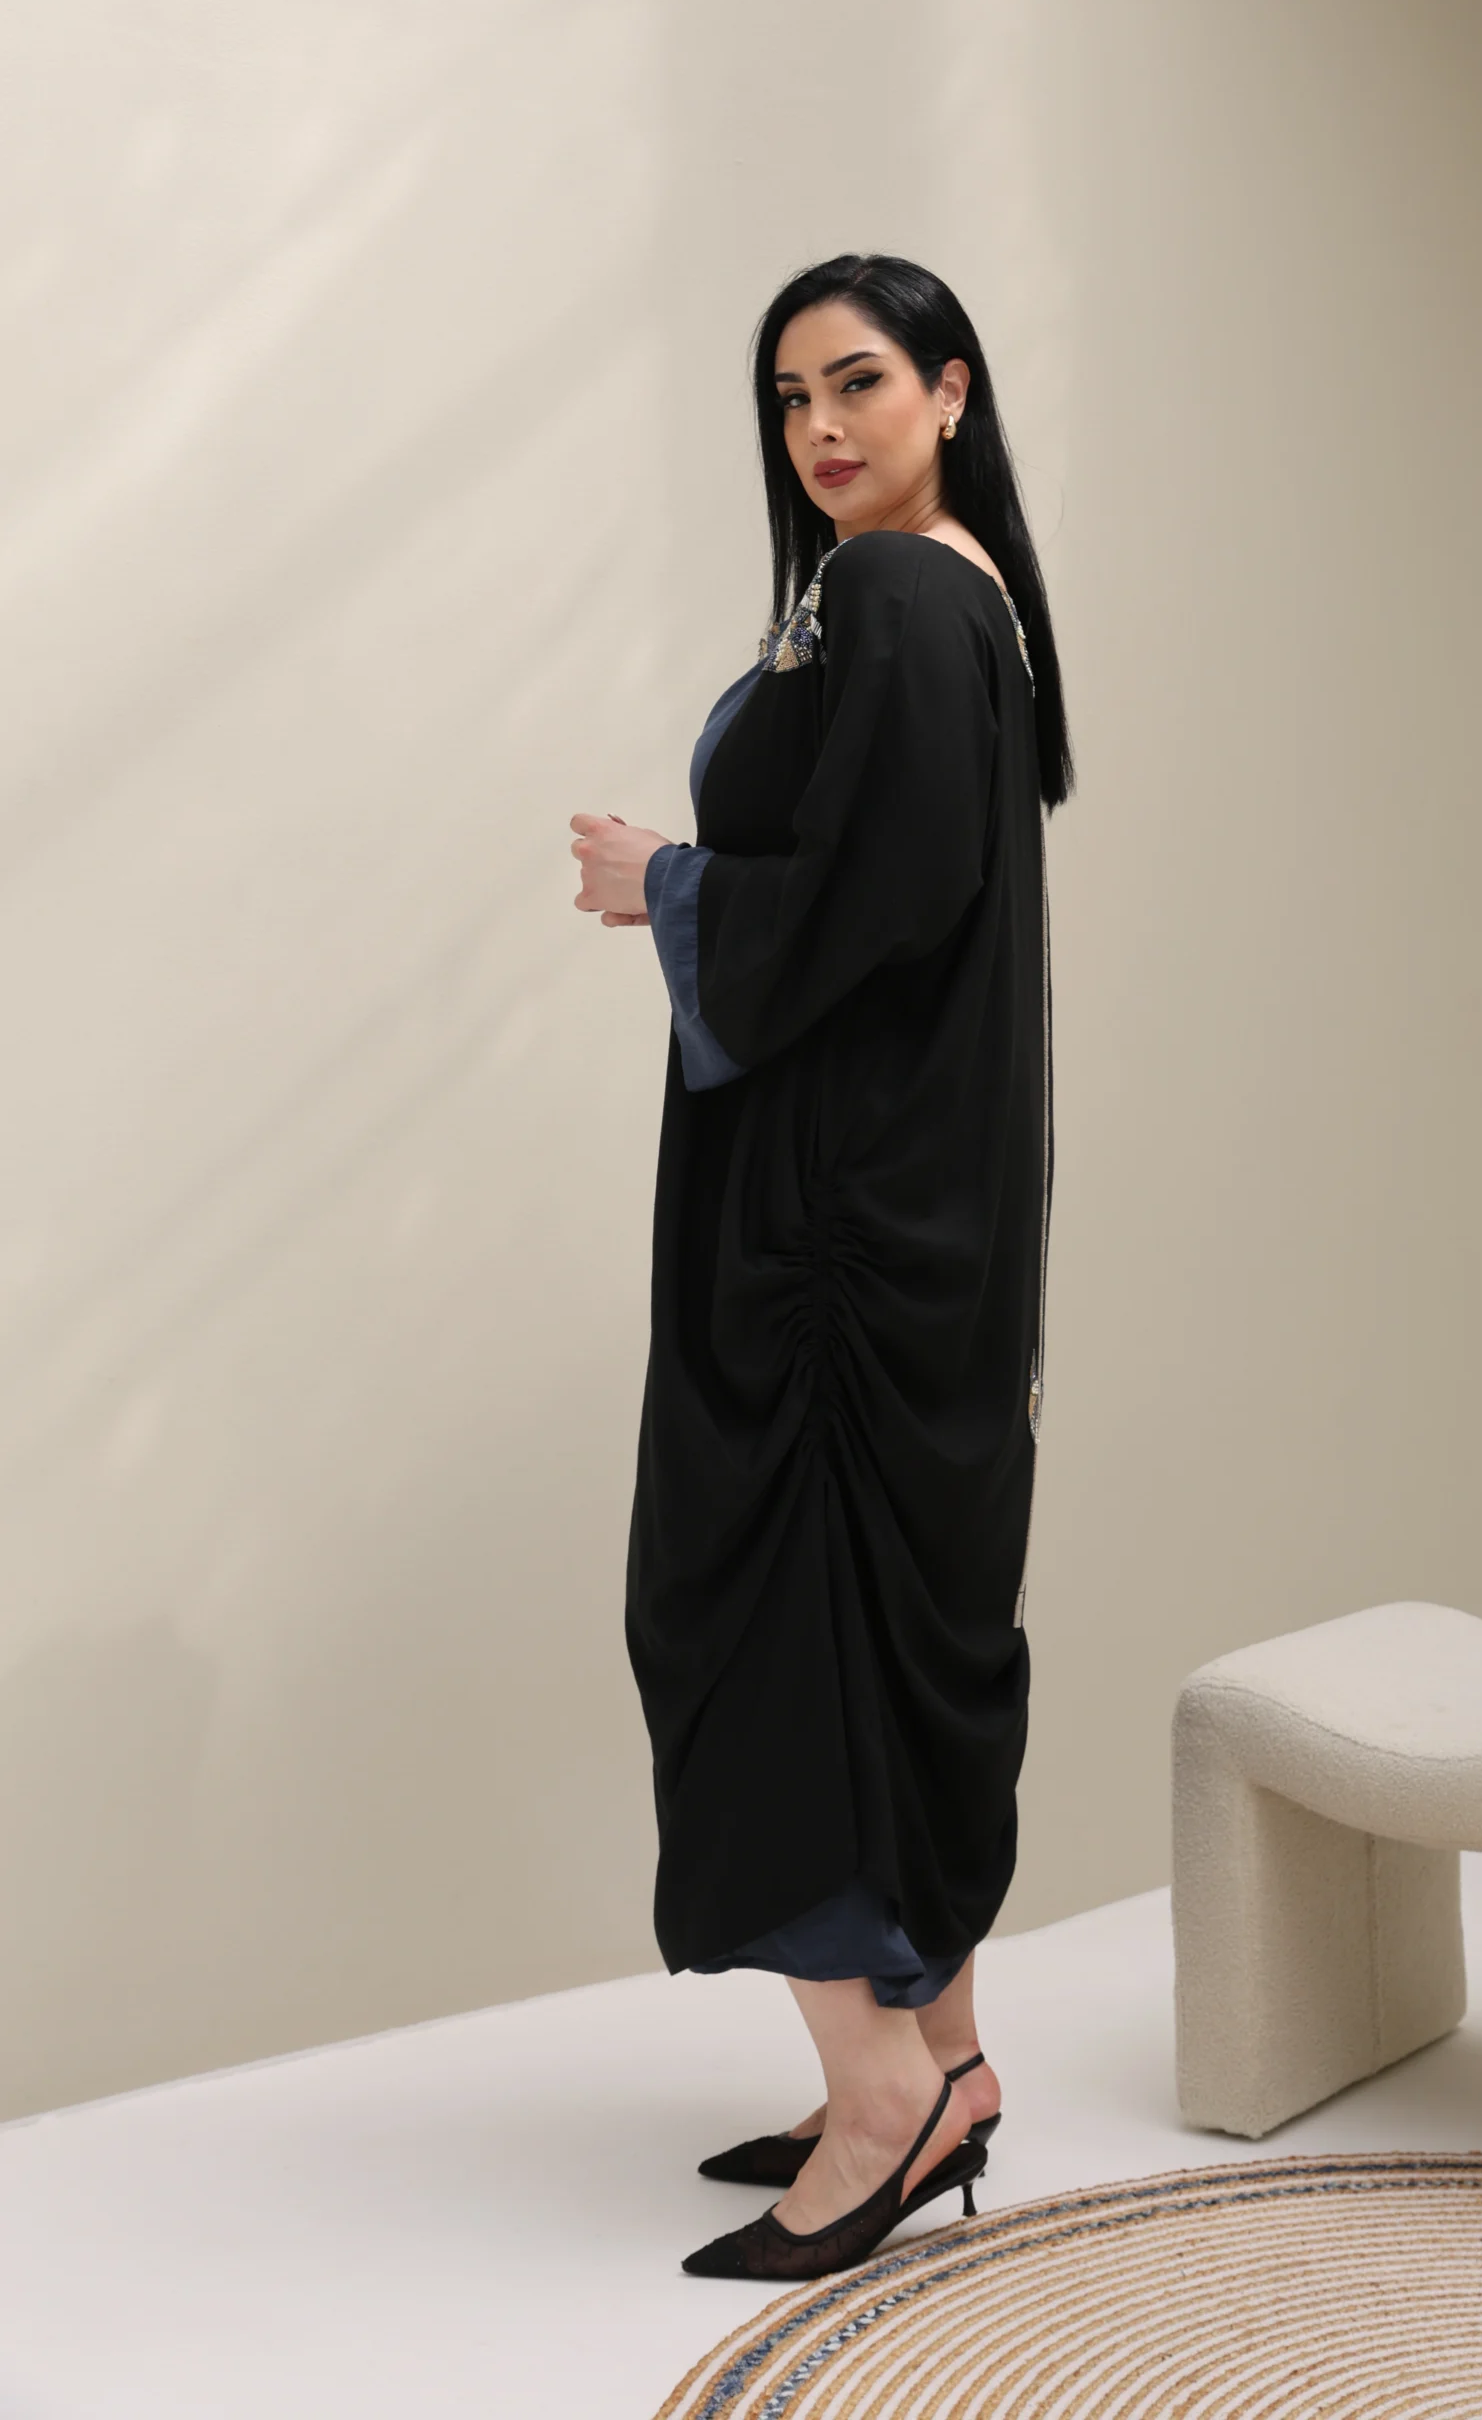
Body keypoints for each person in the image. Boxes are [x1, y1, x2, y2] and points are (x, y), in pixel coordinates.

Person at [570, 251, 1072, 2282]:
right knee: (865, 1619)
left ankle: (875, 2105)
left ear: (949, 389)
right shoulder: (947, 596)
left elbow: (887, 891)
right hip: (882, 1203)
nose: (819, 428)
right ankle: (941, 2060)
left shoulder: (896, 597)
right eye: (789, 397)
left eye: (857, 382)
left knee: (775, 1618)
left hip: (831, 1235)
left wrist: (669, 883)